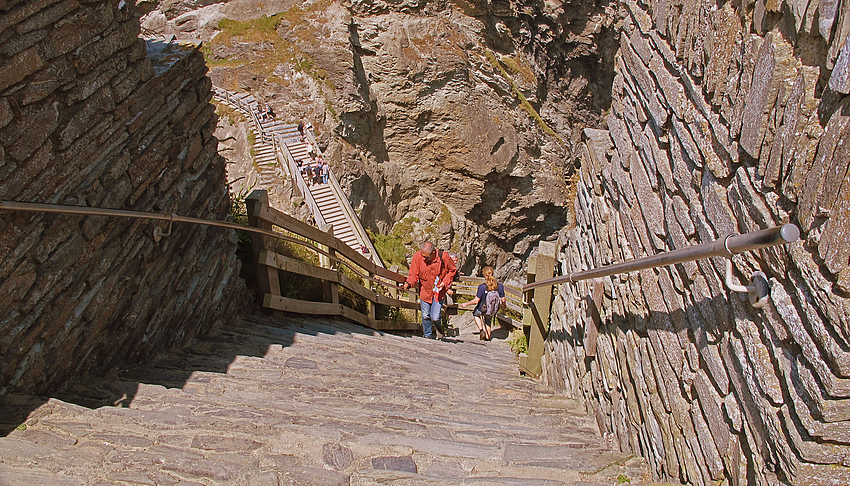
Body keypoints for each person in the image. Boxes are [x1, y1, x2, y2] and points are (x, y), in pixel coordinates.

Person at [402, 241, 457, 339]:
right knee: (425, 315)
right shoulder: (417, 257)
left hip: (438, 292)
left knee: (435, 317)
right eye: (422, 255)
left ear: (433, 253)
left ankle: (439, 331)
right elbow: (413, 274)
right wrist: (409, 283)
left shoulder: (443, 256)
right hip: (425, 291)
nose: (423, 259)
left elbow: (452, 270)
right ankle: (428, 336)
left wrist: (444, 282)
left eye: (426, 257)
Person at [460, 266, 505, 341]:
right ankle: (487, 338)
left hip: (482, 308)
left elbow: (476, 300)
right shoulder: (499, 286)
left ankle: (481, 330)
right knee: (488, 321)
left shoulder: (482, 287)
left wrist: (466, 304)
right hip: (491, 309)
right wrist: (504, 306)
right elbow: (503, 299)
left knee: (475, 314)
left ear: (485, 275)